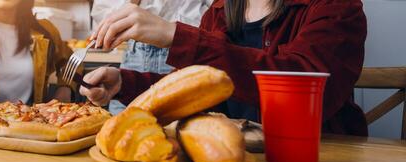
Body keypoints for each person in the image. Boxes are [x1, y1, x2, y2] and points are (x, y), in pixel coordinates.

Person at [80, 0, 369, 136]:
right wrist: (125, 84)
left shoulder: (335, 6)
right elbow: (193, 89)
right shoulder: (219, 11)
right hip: (233, 161)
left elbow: (305, 87)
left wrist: (176, 36)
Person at [91, 0, 213, 115]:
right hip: (136, 52)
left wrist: (170, 29)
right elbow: (102, 15)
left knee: (181, 127)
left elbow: (216, 21)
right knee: (119, 127)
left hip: (183, 50)